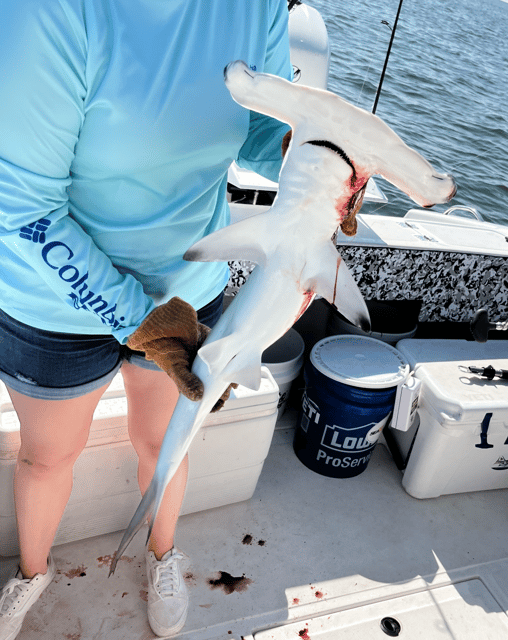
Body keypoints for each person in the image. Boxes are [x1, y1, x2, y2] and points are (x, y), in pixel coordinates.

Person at [0, 0, 293, 637]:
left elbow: (267, 134)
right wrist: (141, 321)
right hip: (53, 299)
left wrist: (319, 161)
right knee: (49, 457)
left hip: (185, 289)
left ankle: (162, 555)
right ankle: (32, 571)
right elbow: (23, 205)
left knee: (165, 445)